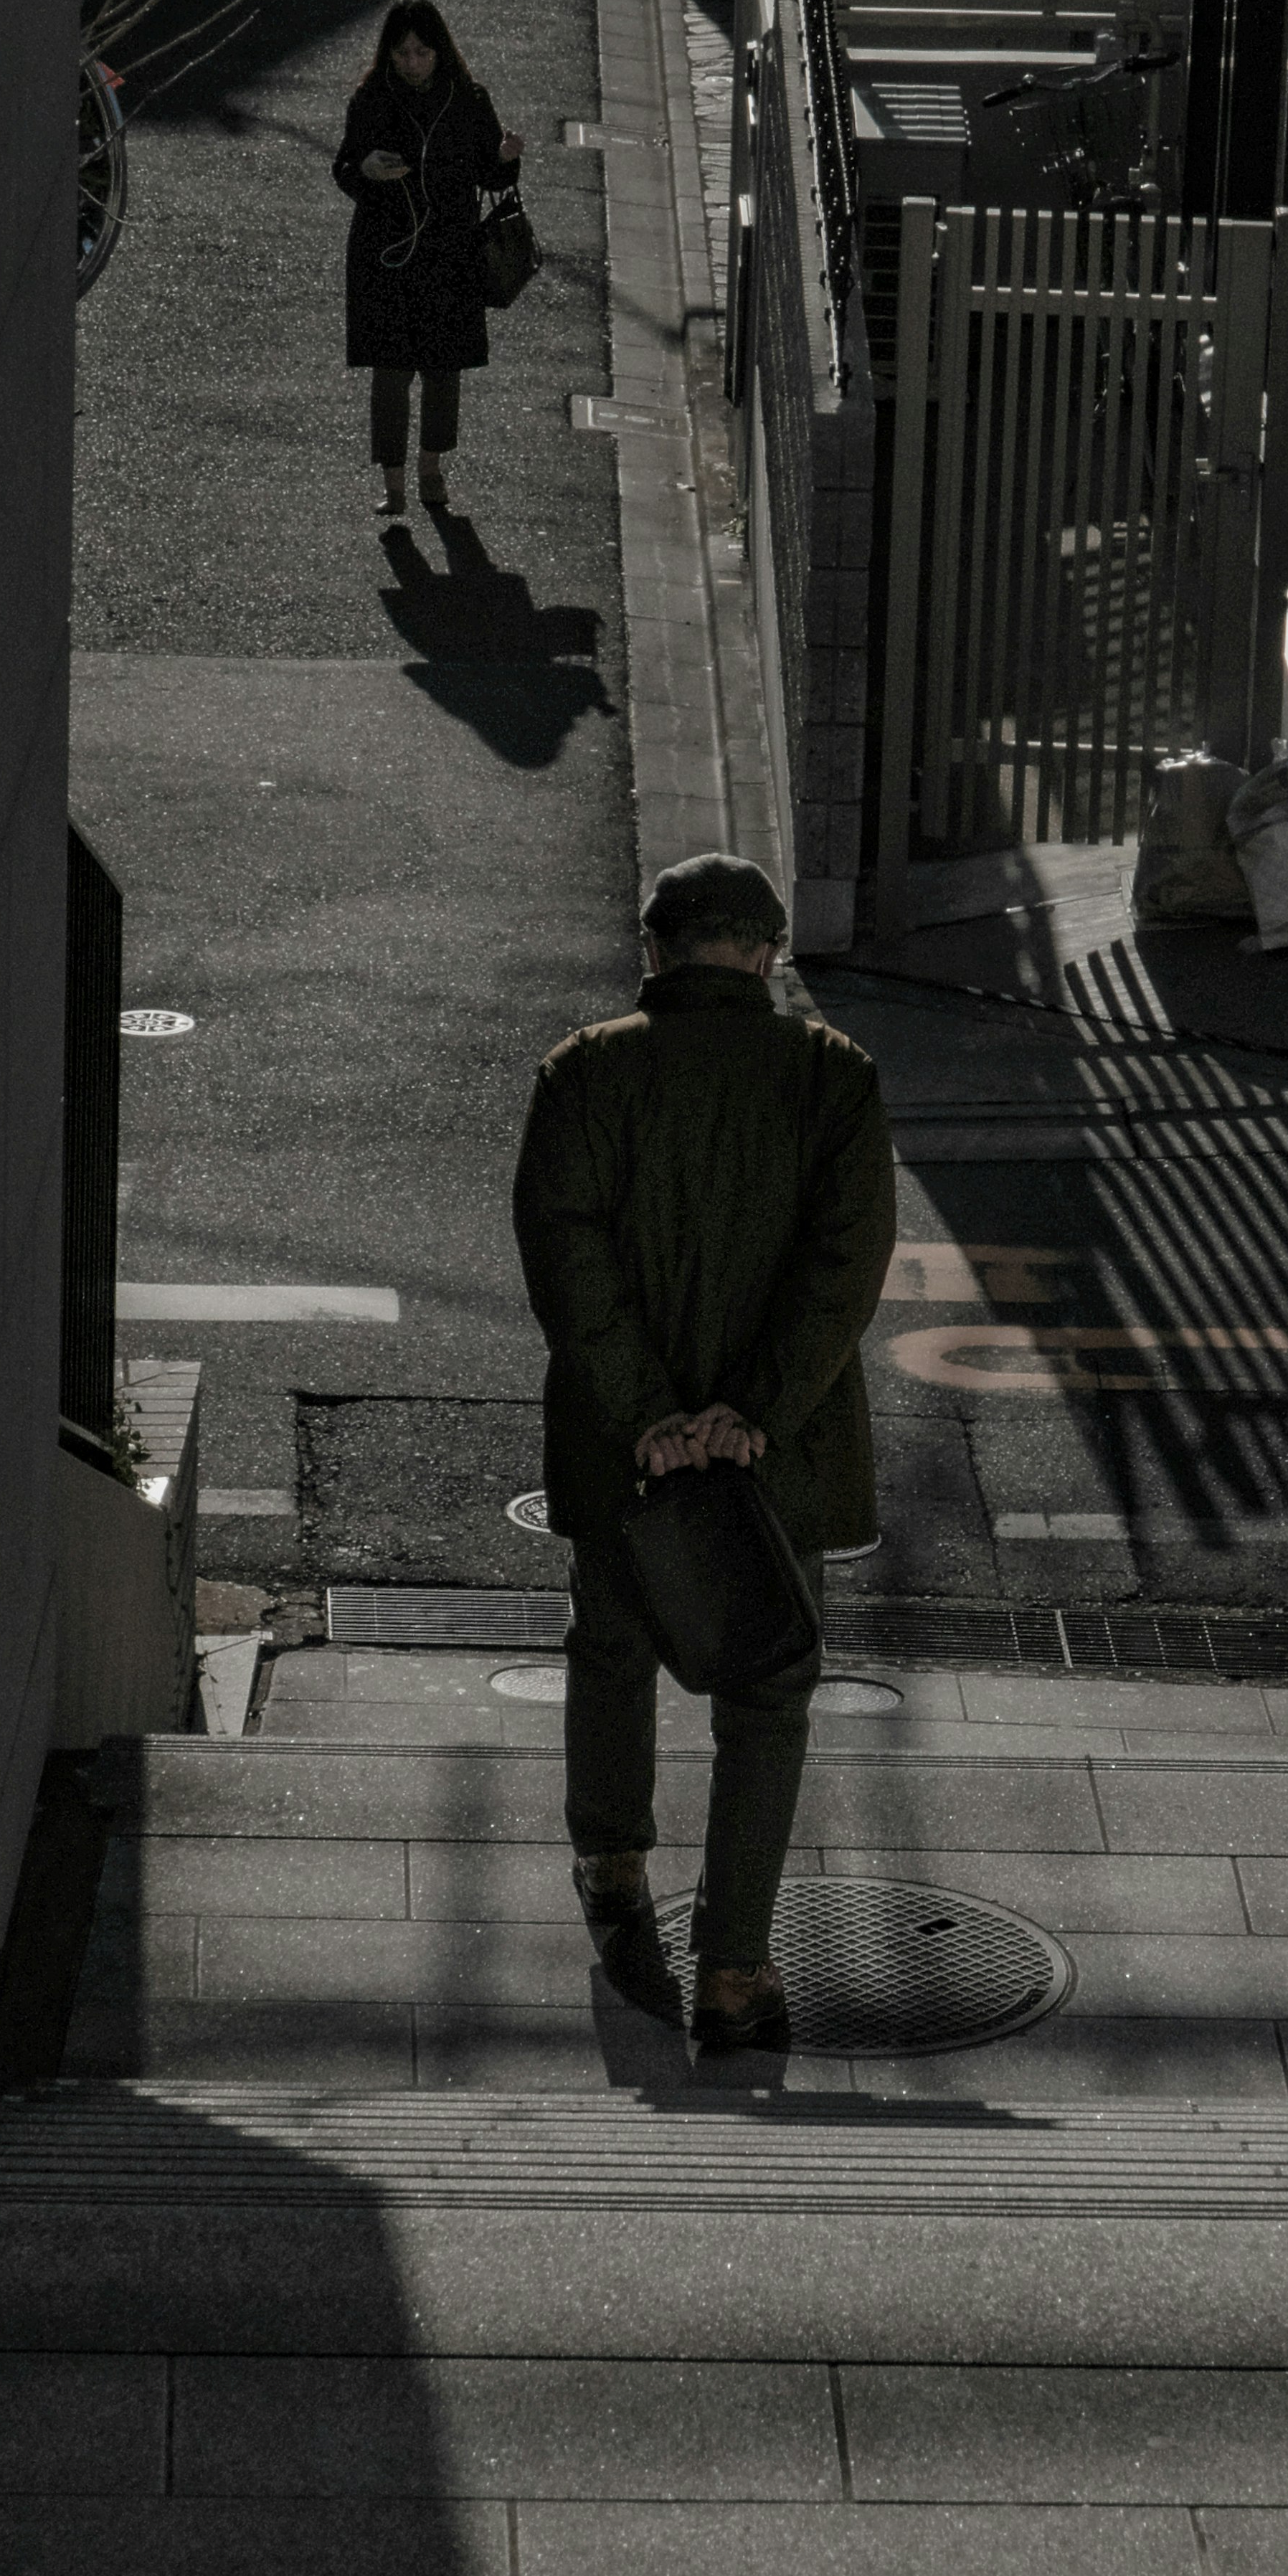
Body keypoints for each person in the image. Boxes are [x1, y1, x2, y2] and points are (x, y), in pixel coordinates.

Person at [511, 858, 896, 2055]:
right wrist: (752, 1413)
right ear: (768, 953)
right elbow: (847, 1265)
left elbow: (564, 1253)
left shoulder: (588, 1072)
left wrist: (650, 1414)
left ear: (655, 948)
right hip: (778, 1454)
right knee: (768, 1697)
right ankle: (734, 1971)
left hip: (624, 1452)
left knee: (614, 1646)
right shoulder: (831, 1078)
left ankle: (614, 1861)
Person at [332, 0, 522, 517]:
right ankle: (394, 482)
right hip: (386, 250)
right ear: (388, 55)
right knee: (390, 371)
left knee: (443, 367)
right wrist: (367, 169)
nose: (413, 63)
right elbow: (345, 167)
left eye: (422, 52)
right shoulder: (371, 99)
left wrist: (506, 159)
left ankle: (431, 469)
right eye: (403, 54)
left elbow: (492, 174)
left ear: (440, 51)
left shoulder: (468, 99)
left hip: (449, 249)